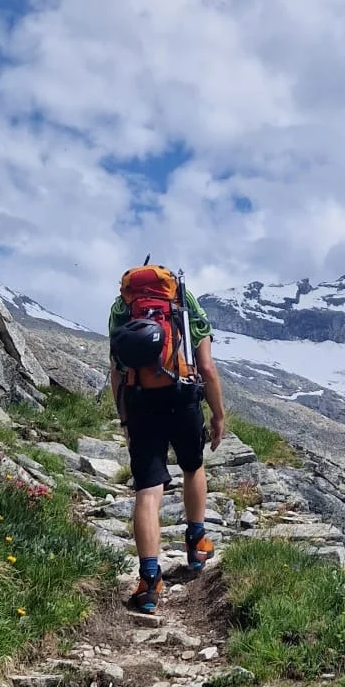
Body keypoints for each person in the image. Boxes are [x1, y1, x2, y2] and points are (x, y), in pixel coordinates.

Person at [108, 263, 226, 615]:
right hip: (182, 396)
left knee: (147, 489)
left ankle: (148, 580)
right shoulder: (184, 300)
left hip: (141, 400)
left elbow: (117, 369)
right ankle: (197, 543)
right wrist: (218, 414)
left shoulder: (121, 308)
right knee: (193, 466)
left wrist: (125, 419)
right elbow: (206, 367)